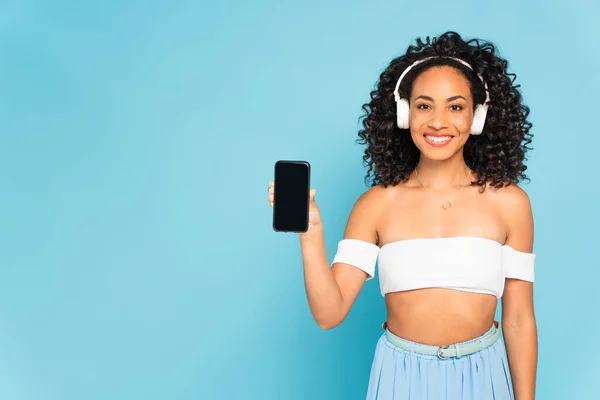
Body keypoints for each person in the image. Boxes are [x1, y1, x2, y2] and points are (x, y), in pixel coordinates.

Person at [268, 31, 537, 400]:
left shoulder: (510, 203)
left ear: (477, 117)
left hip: (484, 375)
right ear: (403, 112)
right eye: (424, 106)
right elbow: (328, 314)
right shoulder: (375, 205)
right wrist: (311, 231)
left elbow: (519, 319)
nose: (438, 122)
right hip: (401, 376)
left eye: (455, 107)